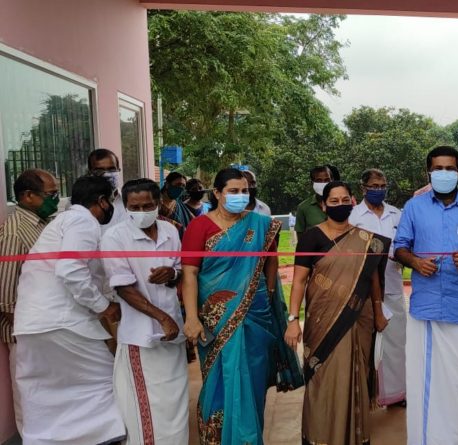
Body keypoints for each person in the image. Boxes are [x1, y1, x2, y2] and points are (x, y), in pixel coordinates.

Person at [181, 168, 302, 444]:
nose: (241, 196)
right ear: (217, 193)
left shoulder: (260, 224)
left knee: (252, 385)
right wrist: (191, 317)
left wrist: (268, 293)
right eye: (233, 191)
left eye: (245, 191)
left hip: (256, 314)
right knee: (219, 383)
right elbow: (189, 273)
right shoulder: (199, 227)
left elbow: (270, 261)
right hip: (215, 319)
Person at [394, 145, 458, 445]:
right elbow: (399, 247)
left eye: (450, 168)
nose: (444, 173)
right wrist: (415, 262)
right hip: (426, 308)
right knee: (426, 378)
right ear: (428, 172)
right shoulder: (414, 207)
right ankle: (427, 438)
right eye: (438, 168)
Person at [13, 175, 125, 445]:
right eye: (111, 202)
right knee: (105, 383)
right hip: (62, 322)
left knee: (43, 394)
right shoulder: (83, 221)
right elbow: (71, 270)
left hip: (33, 322)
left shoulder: (63, 221)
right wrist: (104, 307)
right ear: (102, 201)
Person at [285, 180, 390, 445]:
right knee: (323, 378)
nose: (340, 205)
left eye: (345, 200)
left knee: (355, 375)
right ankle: (320, 436)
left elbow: (374, 281)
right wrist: (293, 320)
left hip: (358, 318)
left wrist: (378, 312)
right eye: (334, 201)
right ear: (324, 205)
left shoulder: (367, 240)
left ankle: (355, 437)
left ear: (352, 202)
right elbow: (299, 281)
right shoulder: (311, 237)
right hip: (323, 321)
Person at [100, 178, 188, 443]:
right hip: (141, 337)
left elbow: (180, 270)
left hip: (172, 336)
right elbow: (123, 288)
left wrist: (171, 274)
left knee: (175, 402)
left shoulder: (170, 231)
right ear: (125, 206)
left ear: (158, 203)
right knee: (146, 406)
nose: (141, 212)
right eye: (134, 207)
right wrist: (162, 318)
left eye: (147, 206)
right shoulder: (115, 237)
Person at [0, 169, 59, 432]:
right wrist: (27, 329)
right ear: (27, 196)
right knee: (30, 399)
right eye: (51, 194)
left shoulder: (45, 224)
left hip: (47, 326)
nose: (56, 199)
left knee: (50, 396)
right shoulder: (15, 232)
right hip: (26, 333)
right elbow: (5, 295)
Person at [349, 169, 406, 407]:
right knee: (363, 343)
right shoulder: (354, 216)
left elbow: (406, 243)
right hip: (362, 289)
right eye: (374, 186)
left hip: (392, 284)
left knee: (396, 341)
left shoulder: (396, 214)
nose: (379, 190)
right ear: (363, 188)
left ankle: (396, 394)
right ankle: (365, 394)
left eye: (382, 185)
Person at [88, 148, 127, 232]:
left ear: (118, 170)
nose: (107, 174)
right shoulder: (80, 204)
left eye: (111, 169)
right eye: (99, 171)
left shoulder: (130, 201)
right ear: (90, 173)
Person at [295, 166, 331, 234]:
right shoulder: (303, 208)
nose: (323, 183)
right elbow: (300, 236)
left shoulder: (341, 204)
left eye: (327, 180)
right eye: (319, 180)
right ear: (312, 183)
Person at [159, 171, 194, 236]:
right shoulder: (154, 204)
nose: (181, 188)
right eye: (178, 184)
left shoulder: (179, 204)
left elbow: (193, 219)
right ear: (167, 184)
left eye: (183, 186)